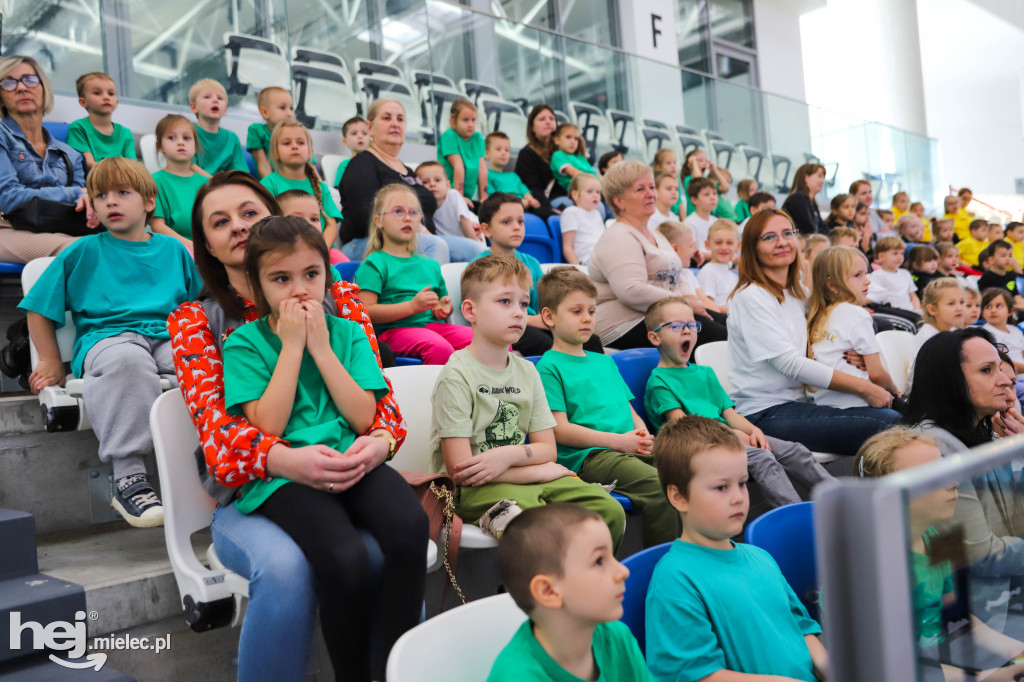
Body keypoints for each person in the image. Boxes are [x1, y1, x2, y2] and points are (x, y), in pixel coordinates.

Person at [170, 170, 406, 680]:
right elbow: (219, 434)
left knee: (390, 540)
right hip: (254, 493)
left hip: (342, 469)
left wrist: (380, 444)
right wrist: (288, 461)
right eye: (219, 221)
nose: (236, 227)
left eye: (249, 213)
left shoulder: (338, 305)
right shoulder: (198, 321)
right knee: (287, 567)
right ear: (206, 244)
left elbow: (381, 408)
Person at [222, 215, 426, 682]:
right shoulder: (244, 344)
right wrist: (292, 346)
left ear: (328, 277)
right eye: (281, 279)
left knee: (409, 527)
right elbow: (267, 426)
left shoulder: (348, 333)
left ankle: (390, 668)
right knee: (344, 556)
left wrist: (321, 347)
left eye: (311, 275)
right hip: (286, 475)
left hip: (349, 459)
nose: (300, 290)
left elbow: (361, 418)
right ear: (255, 288)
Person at [21, 157, 201, 526]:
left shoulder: (175, 250)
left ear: (149, 202)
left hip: (167, 336)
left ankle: (214, 463)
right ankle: (129, 477)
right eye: (100, 195)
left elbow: (198, 307)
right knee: (128, 362)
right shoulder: (82, 251)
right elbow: (39, 308)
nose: (111, 202)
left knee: (202, 361)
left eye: (123, 192)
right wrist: (50, 360)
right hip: (111, 339)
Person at [430, 255, 626, 543]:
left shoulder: (527, 371)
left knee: (608, 510)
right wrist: (540, 471)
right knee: (542, 524)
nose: (520, 313)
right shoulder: (456, 375)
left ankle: (587, 585)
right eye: (504, 302)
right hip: (475, 490)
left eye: (523, 303)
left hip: (522, 473)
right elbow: (463, 473)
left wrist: (510, 456)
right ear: (470, 311)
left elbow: (549, 449)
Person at [645, 417, 828, 681]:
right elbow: (696, 674)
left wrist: (831, 667)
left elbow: (801, 626)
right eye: (721, 487)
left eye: (742, 483)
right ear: (679, 497)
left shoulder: (761, 557)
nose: (738, 498)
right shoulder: (674, 580)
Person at [727, 210, 900, 455]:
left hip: (804, 403)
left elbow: (825, 341)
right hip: (766, 412)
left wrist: (855, 357)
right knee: (889, 423)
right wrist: (865, 388)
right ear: (752, 247)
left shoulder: (799, 294)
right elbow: (789, 364)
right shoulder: (750, 297)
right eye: (769, 237)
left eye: (788, 233)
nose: (782, 242)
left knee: (905, 418)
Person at [856, 427, 1024, 678]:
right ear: (888, 492)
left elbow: (956, 620)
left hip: (938, 665)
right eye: (932, 475)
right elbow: (891, 666)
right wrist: (984, 678)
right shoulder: (871, 569)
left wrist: (1018, 650)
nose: (954, 482)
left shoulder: (936, 538)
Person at [644, 298, 832, 508]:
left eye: (691, 324)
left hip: (725, 436)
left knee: (796, 451)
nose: (687, 331)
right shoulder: (659, 382)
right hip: (697, 447)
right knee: (763, 459)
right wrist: (732, 435)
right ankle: (795, 519)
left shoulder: (704, 372)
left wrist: (753, 431)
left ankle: (840, 500)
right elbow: (685, 429)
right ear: (655, 337)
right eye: (677, 326)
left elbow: (729, 414)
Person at [536, 268, 678, 547]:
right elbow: (560, 431)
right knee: (659, 485)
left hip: (627, 445)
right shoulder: (548, 367)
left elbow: (629, 410)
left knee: (691, 469)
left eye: (592, 310)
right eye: (576, 311)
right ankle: (662, 566)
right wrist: (619, 442)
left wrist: (640, 434)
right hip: (590, 457)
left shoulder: (604, 361)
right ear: (549, 316)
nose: (587, 318)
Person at [903, 328, 1024, 632]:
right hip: (973, 620)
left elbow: (1014, 521)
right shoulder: (930, 449)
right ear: (950, 383)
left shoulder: (981, 434)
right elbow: (980, 554)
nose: (1006, 380)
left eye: (1000, 368)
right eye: (987, 370)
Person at [487, 504, 651, 682]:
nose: (623, 571)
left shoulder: (617, 637)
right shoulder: (516, 677)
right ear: (549, 591)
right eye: (598, 561)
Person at [589, 161, 727, 350]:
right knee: (720, 337)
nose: (651, 194)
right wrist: (683, 302)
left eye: (652, 187)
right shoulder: (618, 236)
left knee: (731, 324)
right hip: (624, 325)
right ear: (619, 201)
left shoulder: (655, 234)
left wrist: (690, 297)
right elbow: (631, 290)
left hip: (665, 314)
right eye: (640, 189)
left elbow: (677, 274)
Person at [355, 184, 472, 365]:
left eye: (414, 212)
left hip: (432, 328)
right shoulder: (374, 263)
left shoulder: (430, 264)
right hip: (392, 331)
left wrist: (443, 308)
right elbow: (367, 312)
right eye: (399, 212)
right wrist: (411, 307)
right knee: (439, 348)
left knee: (487, 340)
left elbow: (443, 303)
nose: (408, 218)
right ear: (378, 221)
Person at [473, 193, 603, 356]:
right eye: (507, 222)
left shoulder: (532, 263)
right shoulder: (479, 266)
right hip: (504, 328)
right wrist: (532, 320)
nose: (516, 227)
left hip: (534, 324)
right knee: (542, 342)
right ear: (486, 229)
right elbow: (485, 312)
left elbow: (544, 304)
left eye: (520, 221)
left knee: (591, 340)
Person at [338, 98, 461, 263]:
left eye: (400, 119)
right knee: (436, 246)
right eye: (387, 118)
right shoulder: (362, 163)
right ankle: (430, 290)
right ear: (369, 128)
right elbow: (363, 214)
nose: (395, 123)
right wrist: (417, 227)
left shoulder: (407, 170)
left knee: (475, 249)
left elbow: (431, 205)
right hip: (365, 242)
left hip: (421, 238)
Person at [0, 55, 90, 263]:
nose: (21, 88)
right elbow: (7, 198)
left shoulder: (71, 154)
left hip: (55, 229)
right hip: (5, 228)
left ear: (43, 87)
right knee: (81, 249)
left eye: (29, 80)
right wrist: (76, 192)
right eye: (8, 82)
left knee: (124, 244)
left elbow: (80, 205)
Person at [807, 246, 902, 407]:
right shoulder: (856, 314)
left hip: (824, 402)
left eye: (866, 273)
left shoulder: (819, 313)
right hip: (858, 402)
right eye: (858, 275)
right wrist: (895, 390)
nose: (867, 281)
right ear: (832, 285)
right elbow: (877, 374)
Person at [259, 120, 341, 250]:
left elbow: (331, 225)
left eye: (300, 142)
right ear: (275, 153)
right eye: (287, 143)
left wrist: (320, 250)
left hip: (322, 250)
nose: (294, 146)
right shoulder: (268, 184)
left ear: (310, 152)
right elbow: (265, 225)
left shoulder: (321, 187)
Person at [150, 114, 207, 247]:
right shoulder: (155, 181)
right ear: (160, 146)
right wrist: (192, 247)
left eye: (187, 138)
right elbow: (157, 226)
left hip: (210, 250)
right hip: (174, 250)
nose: (180, 142)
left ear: (195, 145)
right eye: (171, 137)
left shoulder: (206, 183)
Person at [66, 71, 136, 170]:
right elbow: (88, 163)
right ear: (83, 102)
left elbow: (133, 165)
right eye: (97, 93)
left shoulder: (125, 133)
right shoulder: (78, 128)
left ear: (116, 102)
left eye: (111, 93)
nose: (106, 97)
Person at [656, 222, 722, 317]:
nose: (694, 252)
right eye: (691, 246)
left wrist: (722, 319)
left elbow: (704, 300)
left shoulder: (688, 274)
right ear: (675, 249)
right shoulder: (665, 276)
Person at [415, 160, 485, 250]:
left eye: (437, 180)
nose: (432, 184)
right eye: (425, 182)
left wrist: (476, 246)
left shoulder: (453, 196)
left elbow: (465, 222)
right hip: (445, 247)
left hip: (466, 243)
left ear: (448, 185)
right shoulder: (421, 205)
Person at [514, 104, 567, 214]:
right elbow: (532, 188)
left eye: (552, 119)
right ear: (532, 127)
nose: (548, 122)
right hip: (545, 203)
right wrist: (548, 209)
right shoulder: (526, 154)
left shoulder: (562, 152)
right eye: (542, 119)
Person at [189, 78, 247, 175]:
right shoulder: (187, 132)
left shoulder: (232, 138)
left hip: (223, 186)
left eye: (220, 98)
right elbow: (189, 166)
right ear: (194, 107)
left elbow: (239, 172)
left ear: (225, 109)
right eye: (207, 97)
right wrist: (214, 182)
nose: (215, 100)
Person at [438, 97, 487, 202]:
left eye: (473, 120)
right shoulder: (449, 136)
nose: (470, 124)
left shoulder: (478, 138)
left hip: (467, 197)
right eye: (465, 120)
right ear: (453, 122)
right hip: (448, 195)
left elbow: (482, 169)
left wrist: (484, 197)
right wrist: (459, 197)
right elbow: (458, 167)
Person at [484, 131, 541, 210]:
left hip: (524, 209)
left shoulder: (513, 176)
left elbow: (524, 191)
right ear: (487, 153)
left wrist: (531, 200)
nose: (503, 153)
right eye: (498, 149)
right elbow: (493, 199)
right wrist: (517, 202)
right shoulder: (486, 175)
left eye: (507, 150)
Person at [245, 86, 293, 178]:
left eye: (291, 108)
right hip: (271, 187)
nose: (289, 114)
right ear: (265, 112)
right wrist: (274, 188)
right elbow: (264, 166)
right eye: (283, 108)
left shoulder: (298, 134)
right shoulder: (256, 130)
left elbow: (311, 168)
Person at [559, 173, 605, 266]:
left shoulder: (597, 214)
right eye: (589, 191)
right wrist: (579, 269)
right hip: (588, 261)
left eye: (598, 192)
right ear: (575, 194)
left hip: (604, 256)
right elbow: (567, 247)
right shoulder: (571, 212)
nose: (595, 195)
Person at [867, 236, 921, 313]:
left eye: (902, 253)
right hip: (892, 312)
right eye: (895, 253)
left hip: (910, 311)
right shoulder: (877, 275)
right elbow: (878, 298)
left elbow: (913, 296)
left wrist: (917, 310)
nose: (900, 257)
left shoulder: (905, 273)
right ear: (881, 256)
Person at [697, 219, 740, 311]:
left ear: (737, 246)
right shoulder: (708, 272)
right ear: (707, 245)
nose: (724, 247)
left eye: (729, 243)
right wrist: (735, 313)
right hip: (721, 320)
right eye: (718, 242)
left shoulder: (732, 272)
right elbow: (707, 306)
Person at [679, 148, 733, 219]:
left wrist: (715, 170)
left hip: (709, 218)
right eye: (700, 160)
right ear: (690, 164)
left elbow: (725, 187)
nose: (704, 163)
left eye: (705, 161)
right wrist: (693, 162)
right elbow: (697, 180)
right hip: (696, 218)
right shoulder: (688, 180)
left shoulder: (708, 182)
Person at [981, 288, 1024, 372]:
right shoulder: (986, 333)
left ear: (1010, 311)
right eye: (988, 307)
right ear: (982, 312)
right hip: (1010, 376)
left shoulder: (1015, 330)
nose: (993, 310)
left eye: (999, 306)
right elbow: (1000, 361)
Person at [550, 122, 598, 194]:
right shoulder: (558, 155)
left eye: (576, 139)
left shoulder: (580, 157)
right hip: (577, 191)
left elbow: (594, 174)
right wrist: (596, 183)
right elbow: (573, 172)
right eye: (568, 137)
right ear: (557, 140)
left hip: (593, 188)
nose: (573, 142)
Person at [977, 240, 1024, 311]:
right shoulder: (987, 277)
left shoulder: (1011, 276)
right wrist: (1016, 307)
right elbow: (990, 302)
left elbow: (1016, 295)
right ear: (991, 260)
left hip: (1012, 309)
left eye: (1010, 255)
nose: (1008, 259)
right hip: (997, 310)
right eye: (1003, 256)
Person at [781, 163, 826, 235]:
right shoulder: (797, 199)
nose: (823, 181)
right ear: (806, 177)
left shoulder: (812, 202)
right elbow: (808, 230)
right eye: (819, 176)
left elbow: (823, 227)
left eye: (823, 177)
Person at [681, 177, 718, 255]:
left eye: (714, 193)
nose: (712, 197)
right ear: (694, 200)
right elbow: (693, 252)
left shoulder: (716, 222)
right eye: (707, 194)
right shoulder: (689, 223)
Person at [332, 116, 369, 187]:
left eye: (364, 133)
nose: (360, 136)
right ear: (345, 141)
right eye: (354, 133)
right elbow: (339, 191)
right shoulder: (344, 166)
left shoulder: (376, 164)